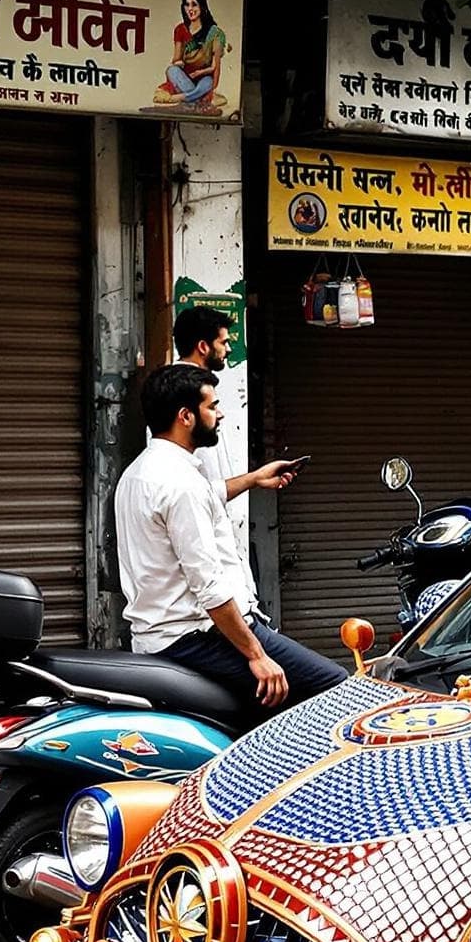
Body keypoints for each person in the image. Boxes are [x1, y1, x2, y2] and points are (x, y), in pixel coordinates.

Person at [115, 364, 346, 710]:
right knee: (336, 685)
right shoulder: (181, 485)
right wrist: (257, 655)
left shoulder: (139, 474)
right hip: (196, 637)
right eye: (212, 406)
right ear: (186, 417)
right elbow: (208, 585)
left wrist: (254, 478)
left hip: (157, 636)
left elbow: (208, 496)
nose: (220, 414)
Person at [171, 304, 298, 564]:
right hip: (199, 538)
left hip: (212, 529)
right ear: (203, 346)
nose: (229, 349)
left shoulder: (198, 391)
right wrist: (254, 479)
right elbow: (202, 488)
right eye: (224, 342)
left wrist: (255, 479)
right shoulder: (179, 396)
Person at [151, 0, 228, 112]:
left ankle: (179, 98)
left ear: (202, 6)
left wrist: (200, 73)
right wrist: (179, 63)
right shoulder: (180, 29)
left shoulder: (214, 33)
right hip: (185, 77)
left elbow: (215, 67)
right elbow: (176, 59)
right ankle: (197, 99)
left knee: (208, 83)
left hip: (203, 78)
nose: (190, 9)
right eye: (187, 5)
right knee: (172, 70)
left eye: (194, 4)